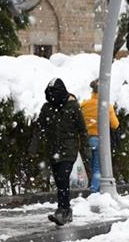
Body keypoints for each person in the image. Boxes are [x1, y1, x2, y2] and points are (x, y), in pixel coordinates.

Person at [28, 78, 91, 225]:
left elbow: (82, 130)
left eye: (54, 94)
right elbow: (39, 128)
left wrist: (86, 151)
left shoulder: (73, 107)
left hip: (68, 150)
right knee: (58, 180)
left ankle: (62, 210)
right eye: (49, 95)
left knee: (63, 178)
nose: (51, 98)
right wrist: (34, 147)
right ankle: (66, 211)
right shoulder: (47, 108)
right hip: (53, 150)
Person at [79, 79, 120, 192]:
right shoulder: (106, 105)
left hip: (86, 140)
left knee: (92, 167)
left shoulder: (84, 104)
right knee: (98, 168)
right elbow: (115, 124)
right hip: (99, 139)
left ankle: (94, 187)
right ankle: (94, 191)